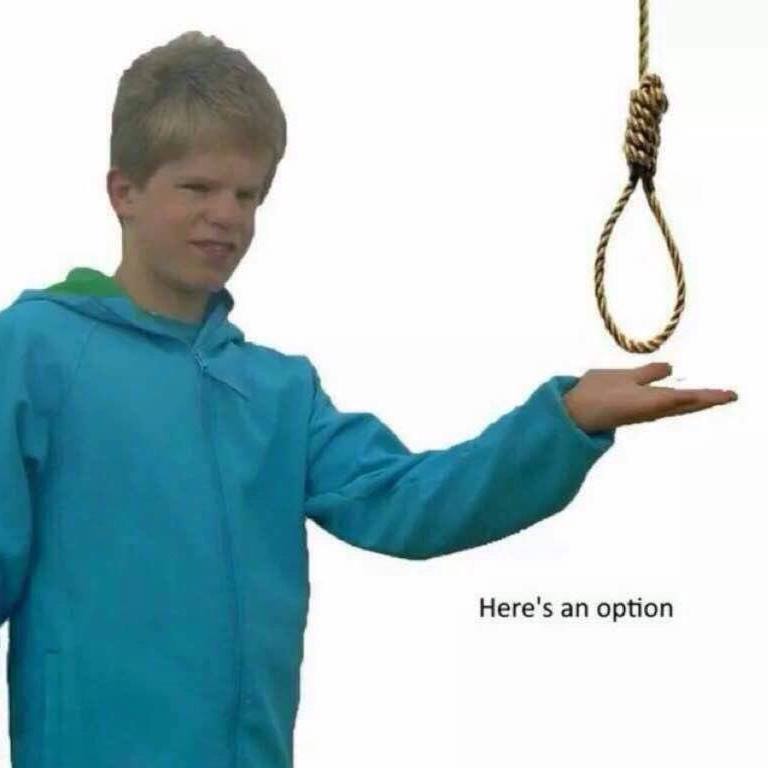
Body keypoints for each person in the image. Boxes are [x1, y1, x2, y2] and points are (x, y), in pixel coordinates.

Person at [0, 30, 737, 768]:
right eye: (197, 188)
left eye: (248, 194)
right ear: (123, 192)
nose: (226, 213)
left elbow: (409, 501)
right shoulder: (36, 350)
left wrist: (566, 421)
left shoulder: (279, 392)